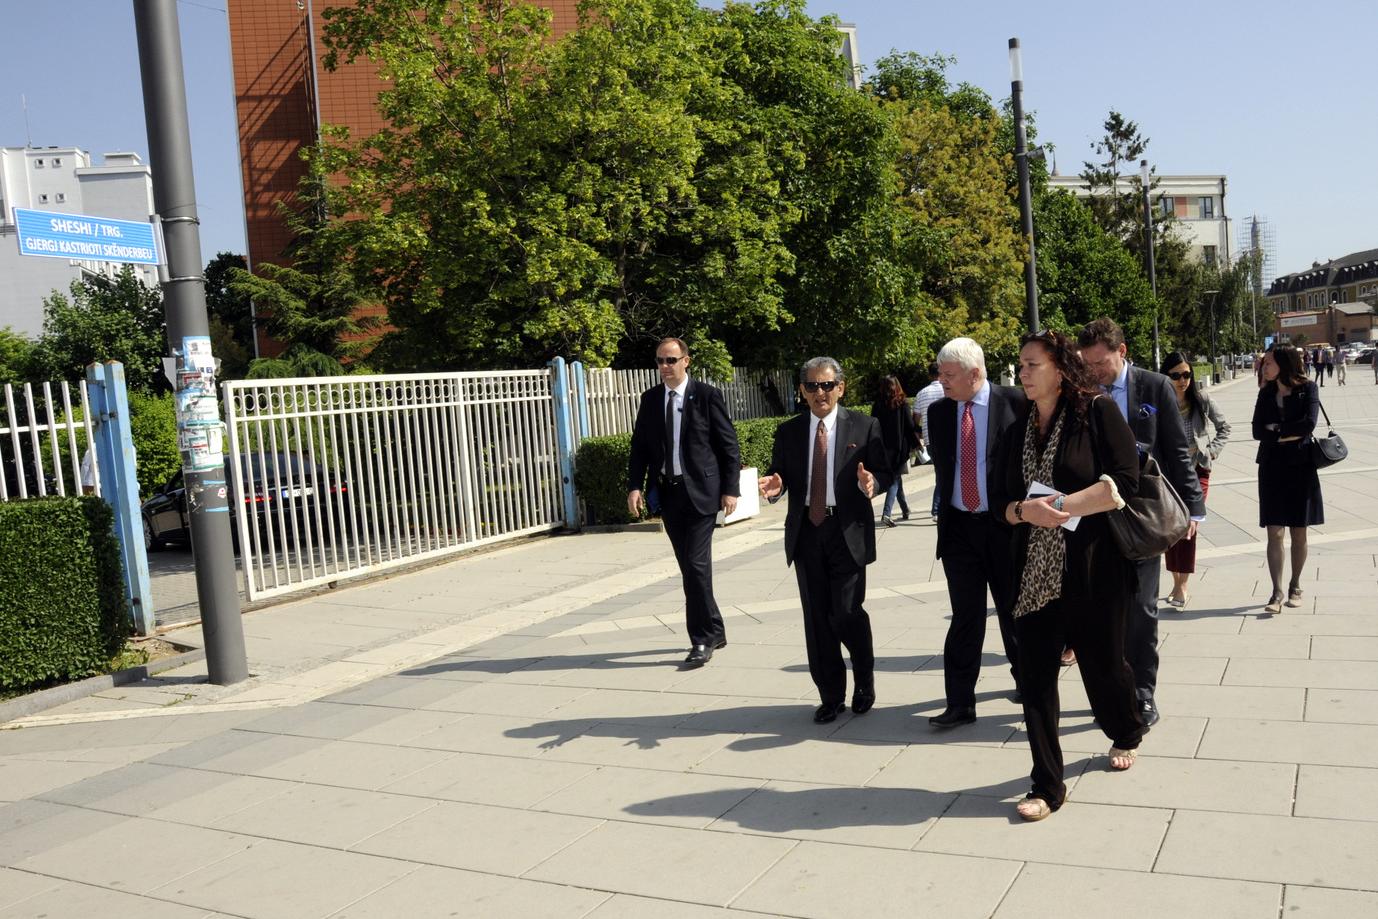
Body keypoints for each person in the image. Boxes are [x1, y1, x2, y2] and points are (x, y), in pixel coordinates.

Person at [994, 329, 1146, 821]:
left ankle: (1126, 728)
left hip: (1093, 568)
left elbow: (1126, 480)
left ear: (1060, 369)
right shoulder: (1017, 426)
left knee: (1105, 668)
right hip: (1033, 575)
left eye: (1032, 365)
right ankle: (1047, 785)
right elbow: (1000, 502)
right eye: (1020, 365)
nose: (1022, 373)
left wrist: (1059, 506)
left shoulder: (1096, 412)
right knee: (1035, 679)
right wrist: (1023, 512)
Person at [1078, 318, 1204, 728]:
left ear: (1122, 351)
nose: (1094, 371)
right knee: (1103, 609)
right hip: (1095, 513)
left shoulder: (1154, 386)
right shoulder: (1082, 390)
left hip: (1141, 515)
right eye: (1087, 363)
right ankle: (1113, 689)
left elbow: (1176, 449)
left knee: (1142, 610)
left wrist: (1192, 508)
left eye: (1100, 362)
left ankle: (1143, 693)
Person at [758, 357, 891, 723]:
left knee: (846, 612)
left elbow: (883, 472)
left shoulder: (864, 426)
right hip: (807, 532)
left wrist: (872, 483)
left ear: (841, 388)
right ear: (802, 391)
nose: (821, 392)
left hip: (847, 531)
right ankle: (831, 695)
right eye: (813, 386)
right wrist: (776, 484)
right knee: (817, 618)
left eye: (828, 385)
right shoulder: (788, 432)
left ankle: (864, 679)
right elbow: (779, 475)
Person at [925, 337, 1025, 727]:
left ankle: (1029, 683)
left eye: (949, 375)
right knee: (965, 617)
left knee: (1014, 613)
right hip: (959, 529)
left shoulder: (1016, 403)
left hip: (1004, 526)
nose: (942, 381)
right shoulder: (939, 412)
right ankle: (960, 703)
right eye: (940, 374)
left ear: (975, 373)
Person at [628, 337, 742, 666]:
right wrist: (634, 486)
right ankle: (716, 629)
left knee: (695, 566)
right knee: (690, 569)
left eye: (671, 360)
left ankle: (702, 640)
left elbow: (728, 445)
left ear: (686, 361)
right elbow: (639, 447)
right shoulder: (651, 399)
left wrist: (731, 489)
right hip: (669, 495)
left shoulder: (706, 396)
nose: (665, 367)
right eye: (660, 361)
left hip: (702, 495)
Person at [1252, 344, 1323, 614]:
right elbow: (1257, 430)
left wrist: (1277, 430)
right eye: (1264, 362)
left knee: (1299, 531)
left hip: (1301, 466)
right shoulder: (1266, 392)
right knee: (1274, 531)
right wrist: (1287, 433)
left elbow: (1309, 424)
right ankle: (1276, 591)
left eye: (1269, 362)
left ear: (1284, 363)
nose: (1264, 367)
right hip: (1271, 466)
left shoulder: (1308, 389)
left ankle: (1295, 585)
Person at [1160, 352, 1231, 608]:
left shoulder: (1201, 399)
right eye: (1176, 375)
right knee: (1171, 526)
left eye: (1187, 374)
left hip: (1197, 470)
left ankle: (1183, 586)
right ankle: (1175, 581)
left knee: (1190, 524)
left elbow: (1225, 427)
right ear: (1166, 376)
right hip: (1170, 473)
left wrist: (1211, 451)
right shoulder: (1160, 401)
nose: (1183, 380)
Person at [872, 375, 920, 527]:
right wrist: (917, 444)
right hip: (899, 449)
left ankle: (905, 509)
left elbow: (872, 425)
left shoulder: (878, 404)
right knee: (894, 480)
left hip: (883, 448)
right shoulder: (902, 403)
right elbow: (909, 426)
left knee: (896, 478)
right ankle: (886, 513)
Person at [911, 363, 945, 519]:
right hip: (947, 437)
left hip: (930, 438)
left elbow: (916, 419)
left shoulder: (921, 393)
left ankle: (938, 508)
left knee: (940, 472)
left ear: (929, 375)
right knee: (945, 474)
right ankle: (937, 508)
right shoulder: (946, 389)